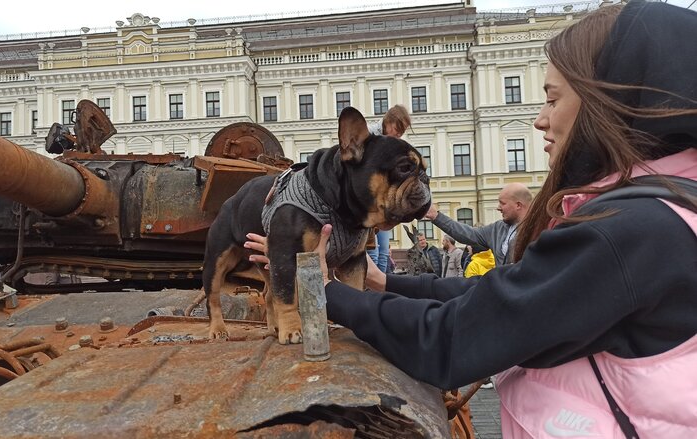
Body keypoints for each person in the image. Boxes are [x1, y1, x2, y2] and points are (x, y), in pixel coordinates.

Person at [246, 3, 697, 436]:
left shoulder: (627, 230)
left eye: (552, 99)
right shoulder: (661, 210)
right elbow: (509, 293)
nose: (539, 120)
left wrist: (327, 290)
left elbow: (452, 341)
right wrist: (386, 284)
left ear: (611, 101)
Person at [424, 183, 531, 266]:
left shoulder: (539, 229)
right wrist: (436, 216)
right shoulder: (497, 229)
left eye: (502, 203)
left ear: (518, 205)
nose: (498, 207)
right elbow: (468, 234)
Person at [366, 104, 412, 273]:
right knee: (373, 253)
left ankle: (379, 294)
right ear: (389, 121)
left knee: (384, 253)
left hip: (385, 204)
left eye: (403, 131)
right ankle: (369, 294)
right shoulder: (368, 134)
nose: (400, 134)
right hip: (369, 204)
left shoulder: (396, 144)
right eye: (397, 128)